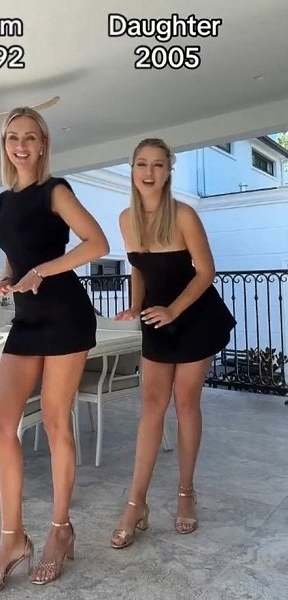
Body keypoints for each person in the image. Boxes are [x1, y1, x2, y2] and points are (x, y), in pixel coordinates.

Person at [0, 106, 109, 594]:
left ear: (43, 143)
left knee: (54, 422)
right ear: (5, 144)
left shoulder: (56, 191)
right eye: (13, 137)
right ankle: (12, 538)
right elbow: (17, 258)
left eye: (30, 137)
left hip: (66, 313)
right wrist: (4, 283)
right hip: (26, 318)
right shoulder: (0, 203)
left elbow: (97, 243)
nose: (21, 145)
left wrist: (42, 271)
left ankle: (60, 528)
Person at [110, 138, 235, 548]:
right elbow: (138, 268)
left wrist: (173, 310)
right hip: (157, 319)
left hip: (194, 315)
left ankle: (185, 493)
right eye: (142, 164)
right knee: (151, 406)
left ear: (168, 172)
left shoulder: (183, 215)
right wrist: (135, 306)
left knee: (185, 403)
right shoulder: (126, 219)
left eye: (158, 165)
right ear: (132, 169)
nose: (149, 172)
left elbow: (206, 271)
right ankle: (136, 503)